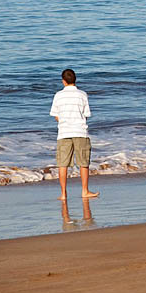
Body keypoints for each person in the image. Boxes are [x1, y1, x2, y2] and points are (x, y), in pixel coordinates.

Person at [50, 69, 98, 200]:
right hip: (80, 131)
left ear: (63, 81)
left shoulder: (58, 95)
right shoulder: (82, 94)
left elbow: (56, 116)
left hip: (64, 132)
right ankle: (84, 190)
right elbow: (86, 115)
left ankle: (63, 193)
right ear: (75, 80)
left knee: (63, 164)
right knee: (83, 163)